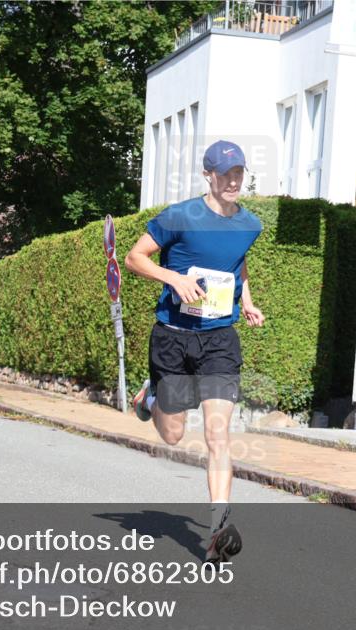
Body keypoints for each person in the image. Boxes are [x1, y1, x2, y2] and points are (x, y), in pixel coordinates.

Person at [125, 140, 265, 564]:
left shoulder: (250, 224)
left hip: (219, 339)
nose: (233, 181)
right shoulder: (179, 216)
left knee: (218, 434)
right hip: (172, 336)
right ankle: (150, 398)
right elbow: (134, 258)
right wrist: (174, 278)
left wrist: (246, 300)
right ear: (209, 175)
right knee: (173, 434)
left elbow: (238, 264)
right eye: (226, 174)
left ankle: (217, 530)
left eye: (239, 173)